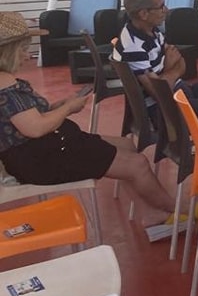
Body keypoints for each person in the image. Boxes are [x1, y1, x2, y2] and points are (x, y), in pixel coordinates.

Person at [0, 11, 175, 214]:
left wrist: (59, 106)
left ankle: (150, 212)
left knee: (128, 146)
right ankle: (173, 211)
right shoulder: (5, 82)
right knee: (138, 164)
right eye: (22, 50)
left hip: (50, 145)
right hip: (42, 158)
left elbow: (25, 118)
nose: (26, 55)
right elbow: (35, 128)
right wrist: (68, 108)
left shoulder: (6, 80)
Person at [112, 0, 198, 124]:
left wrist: (167, 73)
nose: (166, 10)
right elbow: (159, 93)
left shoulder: (151, 31)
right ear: (144, 14)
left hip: (179, 91)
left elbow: (180, 61)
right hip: (166, 109)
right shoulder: (133, 47)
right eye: (161, 7)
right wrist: (171, 69)